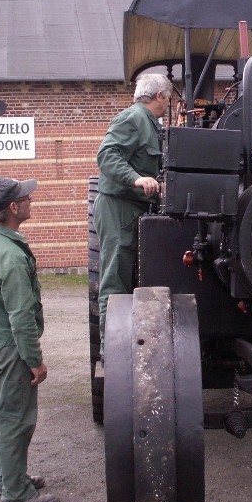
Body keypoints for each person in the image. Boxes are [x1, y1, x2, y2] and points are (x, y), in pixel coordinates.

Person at [0, 177, 60, 502]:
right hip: (11, 349)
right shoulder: (9, 254)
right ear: (13, 207)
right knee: (16, 420)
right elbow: (21, 316)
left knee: (2, 414)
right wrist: (34, 360)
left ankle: (9, 477)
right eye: (27, 198)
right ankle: (16, 493)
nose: (31, 201)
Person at [95, 73, 172, 354]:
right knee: (115, 282)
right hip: (119, 209)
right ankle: (112, 354)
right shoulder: (134, 118)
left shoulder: (151, 125)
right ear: (160, 96)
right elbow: (106, 155)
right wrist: (136, 178)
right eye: (168, 97)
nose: (168, 103)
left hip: (135, 209)